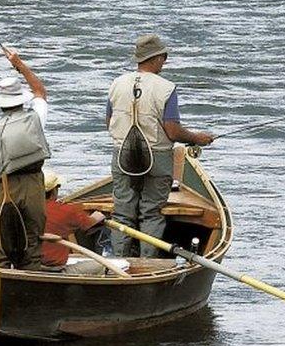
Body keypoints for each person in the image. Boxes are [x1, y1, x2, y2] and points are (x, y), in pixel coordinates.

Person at [106, 34, 213, 258]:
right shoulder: (167, 88)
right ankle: (147, 262)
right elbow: (172, 130)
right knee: (152, 212)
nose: (164, 62)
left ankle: (118, 262)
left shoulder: (117, 83)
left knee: (122, 213)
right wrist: (196, 138)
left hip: (122, 154)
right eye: (164, 57)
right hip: (157, 156)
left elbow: (109, 122)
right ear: (155, 58)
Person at [0, 48, 51, 270]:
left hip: (4, 190)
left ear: (0, 103)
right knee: (32, 245)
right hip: (34, 186)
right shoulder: (35, 118)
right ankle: (32, 286)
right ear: (21, 100)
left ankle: (2, 289)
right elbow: (40, 91)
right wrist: (19, 64)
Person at [39, 168, 108, 275]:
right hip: (56, 270)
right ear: (54, 191)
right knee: (101, 266)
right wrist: (99, 215)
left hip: (29, 267)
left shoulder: (25, 210)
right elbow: (89, 224)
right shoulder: (66, 210)